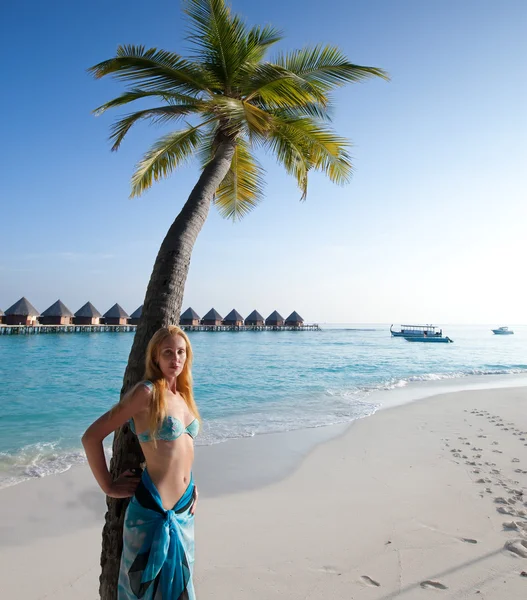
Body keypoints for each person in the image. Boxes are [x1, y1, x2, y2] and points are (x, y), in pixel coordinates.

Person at [82, 325, 201, 599]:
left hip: (184, 511)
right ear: (155, 357)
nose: (176, 358)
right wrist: (108, 487)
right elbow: (91, 437)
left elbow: (182, 450)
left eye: (181, 352)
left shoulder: (183, 397)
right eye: (168, 352)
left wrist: (193, 486)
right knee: (140, 592)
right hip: (151, 510)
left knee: (182, 590)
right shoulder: (147, 393)